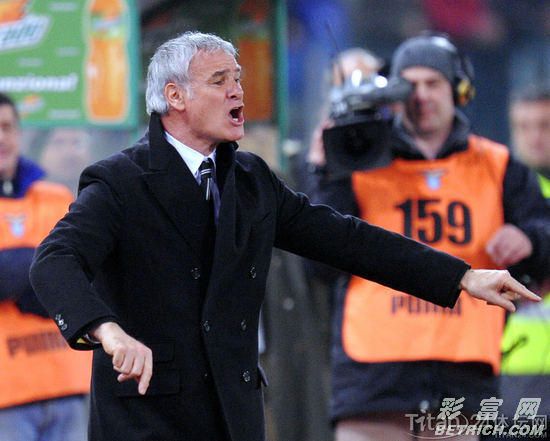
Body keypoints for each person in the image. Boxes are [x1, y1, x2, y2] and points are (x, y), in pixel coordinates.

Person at [29, 31, 540, 441]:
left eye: (238, 78)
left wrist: (462, 277)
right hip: (147, 417)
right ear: (174, 96)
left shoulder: (252, 178)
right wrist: (107, 331)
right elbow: (54, 261)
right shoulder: (118, 180)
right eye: (219, 80)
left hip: (234, 415)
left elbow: (349, 240)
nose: (237, 91)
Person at [308, 34, 550, 441]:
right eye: (410, 84)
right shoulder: (360, 161)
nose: (420, 95)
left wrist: (530, 239)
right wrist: (324, 172)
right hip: (373, 383)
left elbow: (544, 241)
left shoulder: (498, 166)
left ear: (459, 89)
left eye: (432, 83)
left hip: (462, 379)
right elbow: (320, 262)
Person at [0, 92, 91, 441]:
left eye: (7, 127)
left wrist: (20, 271)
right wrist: (43, 271)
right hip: (6, 396)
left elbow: (81, 275)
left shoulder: (56, 198)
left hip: (67, 384)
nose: (1, 137)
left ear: (19, 133)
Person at [496, 83, 550, 433]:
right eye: (523, 126)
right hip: (511, 368)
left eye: (544, 126)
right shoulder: (496, 198)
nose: (534, 137)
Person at [39, 127, 93, 195]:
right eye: (58, 143)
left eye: (77, 143)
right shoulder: (28, 197)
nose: (68, 153)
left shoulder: (101, 195)